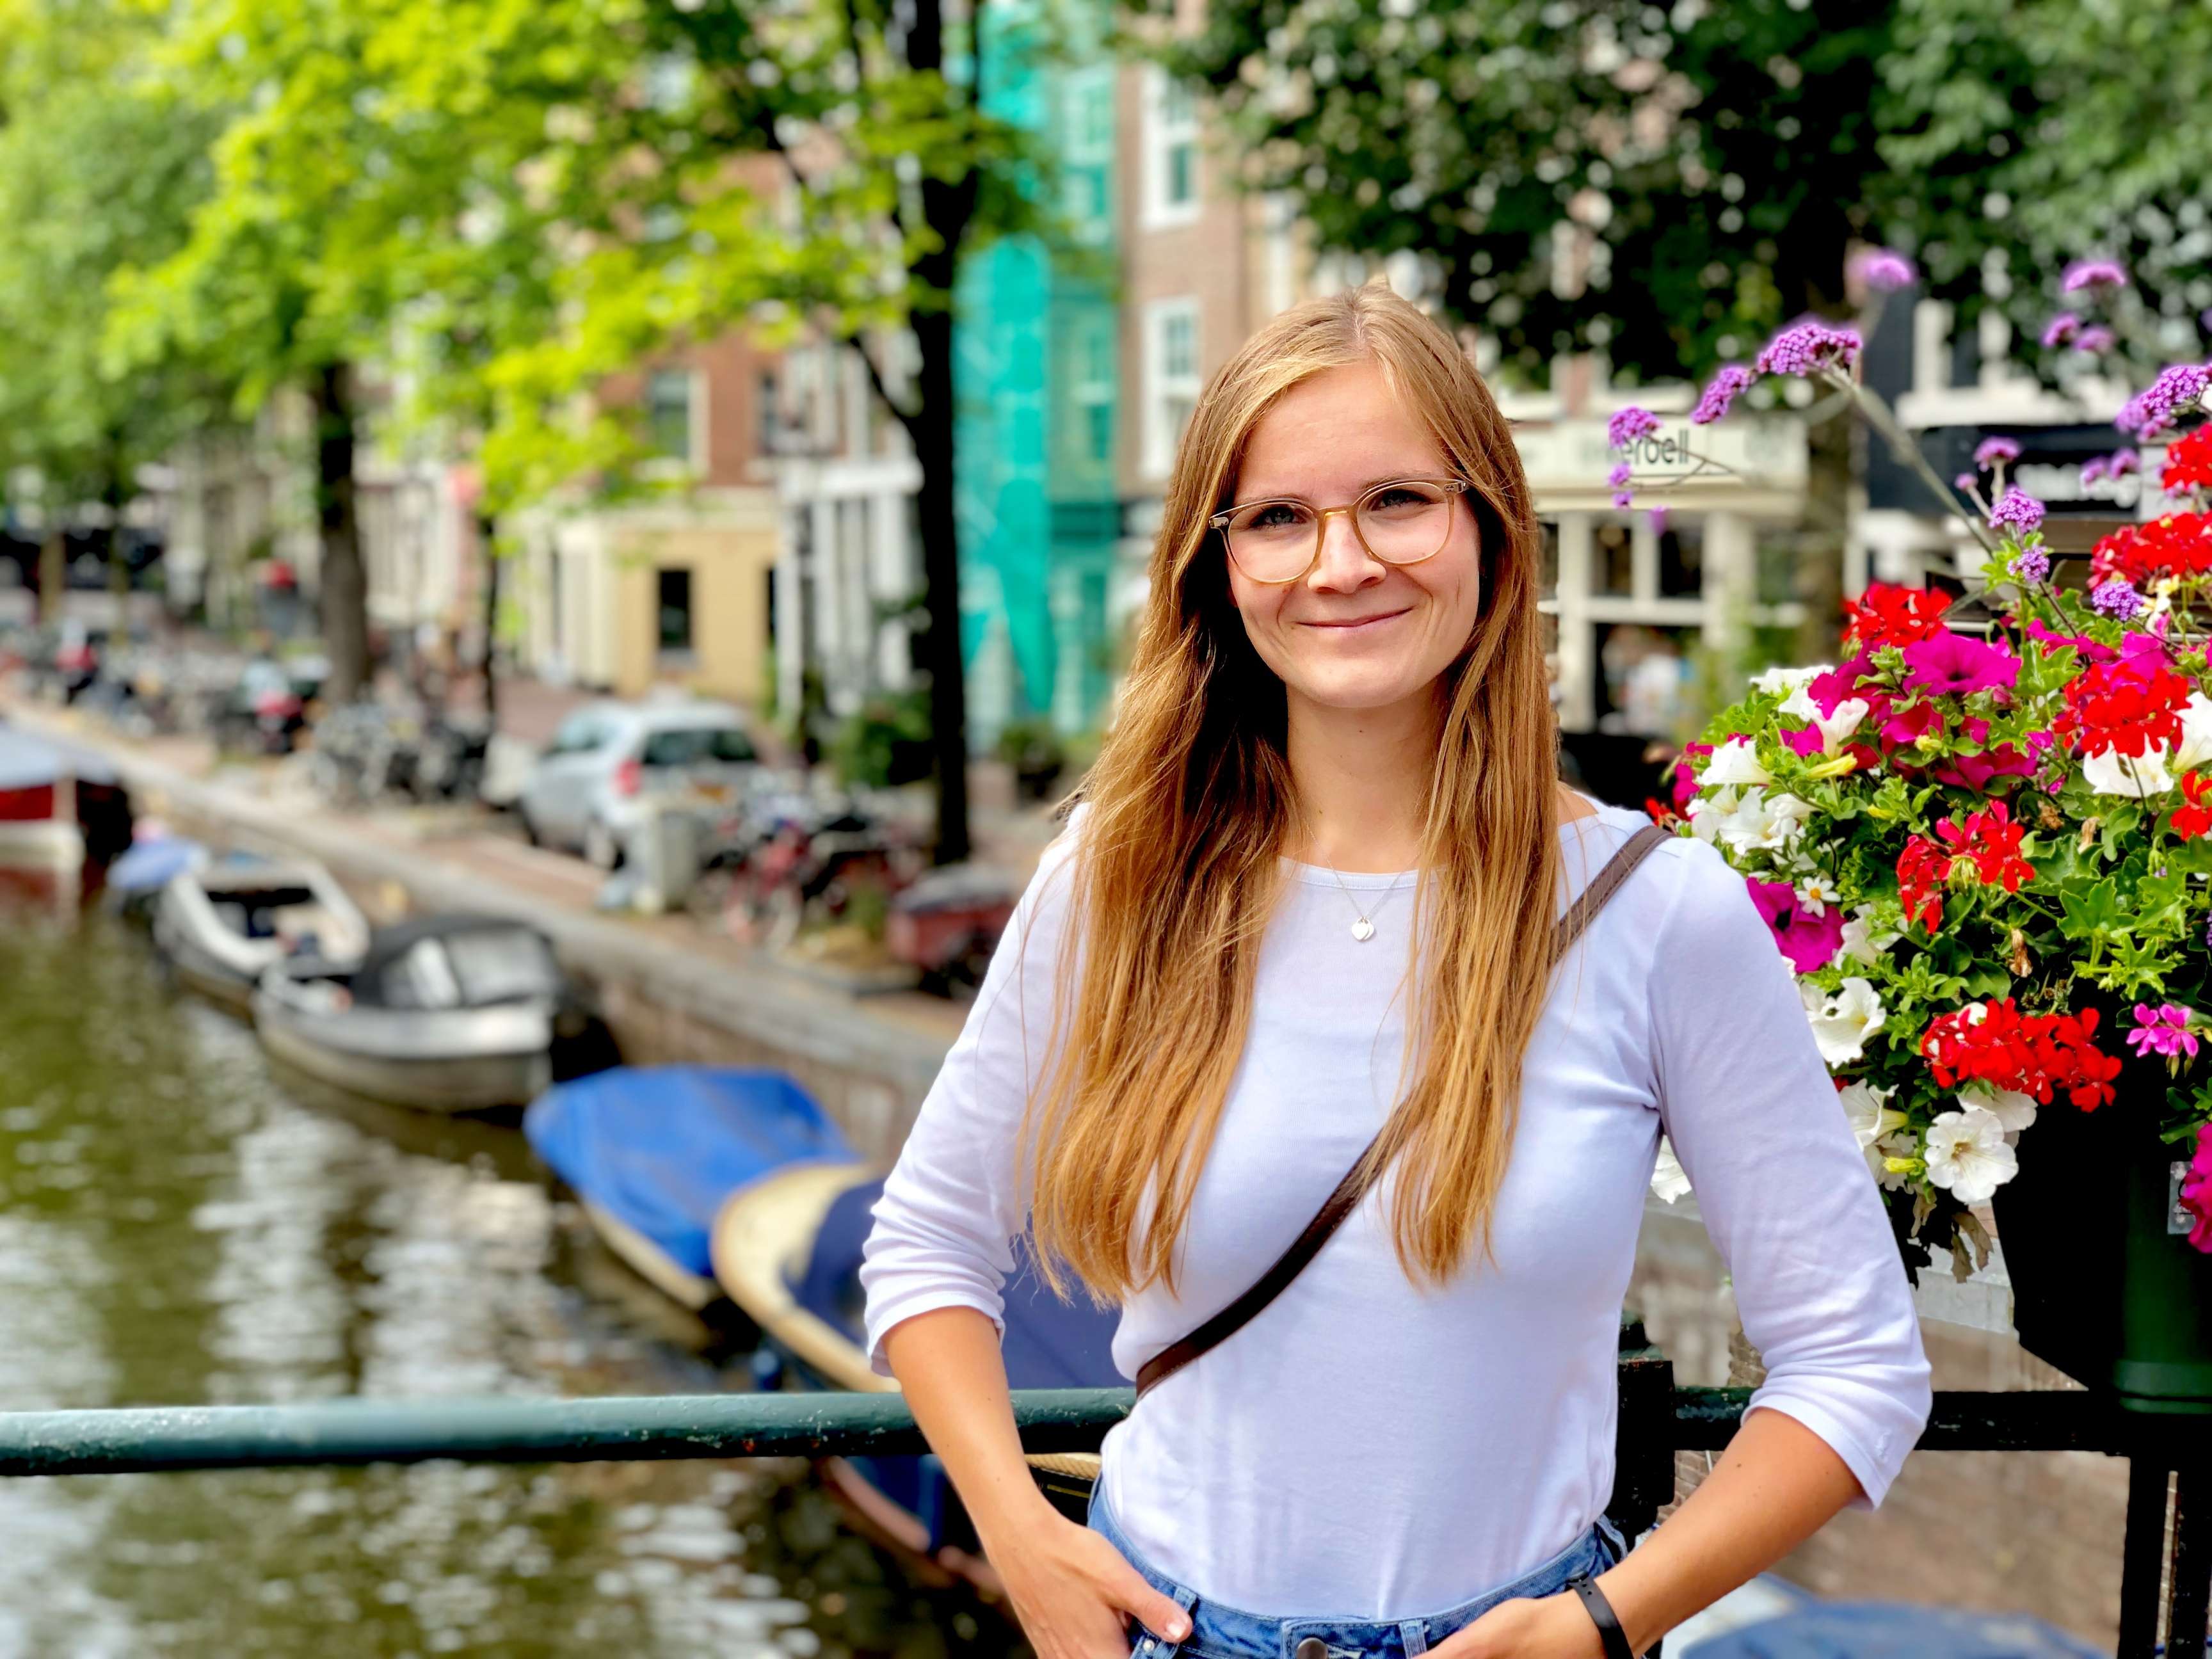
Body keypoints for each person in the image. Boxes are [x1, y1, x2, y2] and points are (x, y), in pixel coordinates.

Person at [860, 284, 1930, 1659]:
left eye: (1397, 502)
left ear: (1488, 524)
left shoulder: (1654, 916)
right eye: (1279, 517)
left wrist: (1601, 1626)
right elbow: (928, 1243)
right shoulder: (1119, 882)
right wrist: (1019, 1535)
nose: (1340, 562)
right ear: (1217, 562)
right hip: (1162, 1633)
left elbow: (1856, 1363)